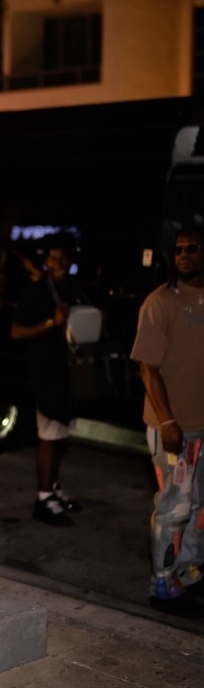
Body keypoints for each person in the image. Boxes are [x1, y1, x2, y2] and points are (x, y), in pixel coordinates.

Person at [130, 222, 204, 618]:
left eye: (192, 248)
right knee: (175, 508)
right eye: (178, 250)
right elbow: (148, 370)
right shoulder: (159, 303)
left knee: (198, 507)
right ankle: (162, 583)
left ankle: (188, 574)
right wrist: (168, 422)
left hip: (202, 428)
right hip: (174, 429)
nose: (184, 255)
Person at [10, 239, 87, 526]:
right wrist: (50, 323)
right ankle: (43, 499)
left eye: (64, 257)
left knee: (60, 436)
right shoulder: (37, 291)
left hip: (68, 374)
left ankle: (53, 489)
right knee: (49, 436)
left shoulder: (72, 289)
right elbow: (16, 332)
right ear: (46, 262)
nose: (59, 263)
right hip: (45, 374)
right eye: (54, 258)